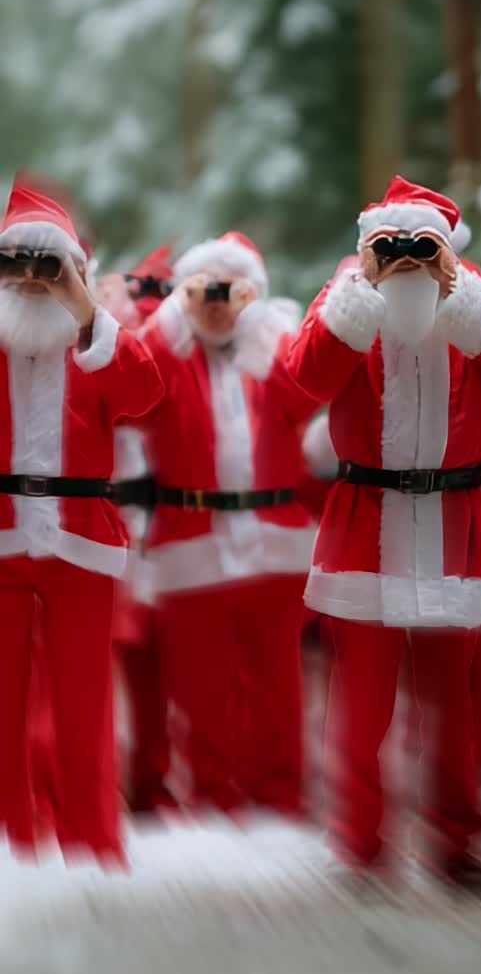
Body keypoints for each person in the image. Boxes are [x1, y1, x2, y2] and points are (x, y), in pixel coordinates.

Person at [284, 175, 481, 884]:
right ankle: (360, 844)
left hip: (456, 519)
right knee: (362, 699)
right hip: (367, 515)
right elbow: (306, 376)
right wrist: (362, 288)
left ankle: (459, 844)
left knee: (453, 701)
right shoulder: (346, 293)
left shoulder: (473, 296)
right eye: (391, 245)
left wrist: (459, 286)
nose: (408, 257)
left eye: (422, 246)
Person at [0, 176, 163, 861]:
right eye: (15, 262)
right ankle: (14, 838)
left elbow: (145, 392)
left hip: (81, 537)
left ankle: (91, 841)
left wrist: (86, 308)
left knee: (85, 701)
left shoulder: (93, 339)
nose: (30, 278)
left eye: (48, 263)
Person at [140, 232, 318, 817]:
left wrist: (260, 322)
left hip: (275, 537)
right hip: (190, 540)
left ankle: (280, 800)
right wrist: (177, 308)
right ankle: (212, 800)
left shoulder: (276, 349)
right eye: (205, 289)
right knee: (199, 686)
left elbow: (306, 396)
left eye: (230, 289)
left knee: (278, 684)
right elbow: (134, 386)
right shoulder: (168, 355)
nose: (216, 302)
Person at [96, 247, 177, 814]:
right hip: (106, 525)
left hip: (163, 529)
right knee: (101, 661)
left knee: (157, 666)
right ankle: (100, 783)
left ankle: (152, 782)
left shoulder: (180, 357)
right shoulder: (99, 353)